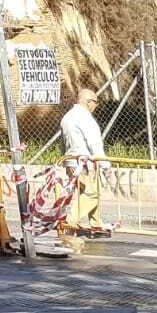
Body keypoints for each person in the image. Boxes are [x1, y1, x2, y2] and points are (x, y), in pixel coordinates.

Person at [60, 87, 110, 236]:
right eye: (95, 102)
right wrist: (105, 164)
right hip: (84, 164)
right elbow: (94, 144)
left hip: (71, 162)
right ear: (88, 102)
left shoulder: (67, 117)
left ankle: (96, 223)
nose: (96, 106)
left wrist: (66, 161)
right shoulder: (86, 119)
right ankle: (71, 220)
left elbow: (63, 143)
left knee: (88, 191)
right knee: (91, 194)